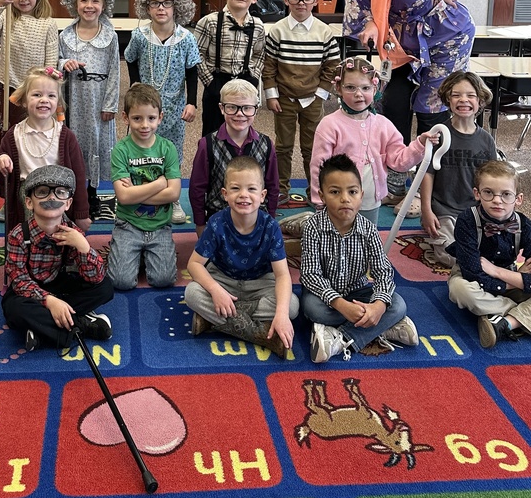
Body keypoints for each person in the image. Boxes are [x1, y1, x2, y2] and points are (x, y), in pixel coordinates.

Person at [344, 0, 481, 204]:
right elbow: (359, 2)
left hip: (445, 36)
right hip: (399, 42)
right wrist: (370, 22)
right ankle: (395, 182)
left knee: (432, 109)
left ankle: (433, 189)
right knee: (392, 104)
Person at [301, 155, 419, 363]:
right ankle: (382, 327)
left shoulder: (367, 229)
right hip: (326, 297)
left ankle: (341, 338)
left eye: (352, 192)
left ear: (361, 195)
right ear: (322, 195)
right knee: (311, 308)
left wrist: (379, 306)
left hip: (358, 291)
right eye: (335, 192)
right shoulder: (313, 227)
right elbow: (311, 276)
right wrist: (341, 304)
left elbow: (383, 272)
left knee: (398, 304)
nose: (345, 198)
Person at [185, 157, 297, 356]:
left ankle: (212, 321)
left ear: (262, 195)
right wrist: (215, 290)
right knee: (192, 293)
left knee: (292, 307)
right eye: (236, 189)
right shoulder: (216, 223)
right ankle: (260, 335)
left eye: (251, 189)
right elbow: (194, 264)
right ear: (225, 194)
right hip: (223, 281)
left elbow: (282, 276)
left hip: (260, 284)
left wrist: (281, 314)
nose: (244, 195)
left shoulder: (270, 227)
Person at [309, 57, 438, 225]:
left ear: (375, 88)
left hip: (370, 200)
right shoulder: (329, 125)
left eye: (365, 88)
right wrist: (320, 201)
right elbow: (318, 165)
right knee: (338, 242)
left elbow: (399, 161)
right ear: (339, 88)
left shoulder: (383, 124)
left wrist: (419, 144)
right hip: (338, 201)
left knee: (367, 240)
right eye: (350, 87)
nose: (358, 94)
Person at [2, 165, 113, 352]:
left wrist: (83, 247)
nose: (52, 197)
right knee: (12, 309)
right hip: (30, 292)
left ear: (68, 203)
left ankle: (41, 328)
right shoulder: (18, 235)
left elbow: (95, 278)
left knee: (105, 288)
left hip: (61, 286)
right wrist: (49, 301)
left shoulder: (73, 232)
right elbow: (19, 280)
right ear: (29, 202)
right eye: (43, 192)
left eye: (60, 192)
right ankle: (79, 324)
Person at [124, 0, 199, 225]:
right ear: (147, 6)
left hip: (174, 108)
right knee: (140, 148)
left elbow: (192, 70)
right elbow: (130, 59)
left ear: (177, 5)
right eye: (155, 3)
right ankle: (136, 192)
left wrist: (192, 102)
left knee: (172, 152)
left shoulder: (186, 38)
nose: (161, 8)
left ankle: (172, 197)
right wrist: (134, 83)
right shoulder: (140, 36)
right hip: (144, 108)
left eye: (167, 3)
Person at [263, 0, 340, 204]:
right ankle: (282, 188)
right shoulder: (277, 30)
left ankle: (315, 189)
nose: (301, 3)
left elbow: (332, 65)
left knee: (313, 147)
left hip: (313, 100)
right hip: (284, 99)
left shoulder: (325, 32)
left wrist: (320, 95)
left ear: (316, 0)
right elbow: (269, 66)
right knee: (283, 146)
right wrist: (271, 95)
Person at [0, 67, 90, 237]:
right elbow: (1, 178)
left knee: (63, 231)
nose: (44, 100)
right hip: (28, 194)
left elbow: (79, 177)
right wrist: (2, 160)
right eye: (37, 95)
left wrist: (82, 213)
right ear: (24, 100)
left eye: (51, 96)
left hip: (60, 192)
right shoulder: (13, 135)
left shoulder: (66, 136)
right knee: (33, 221)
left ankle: (60, 255)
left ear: (58, 102)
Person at [448, 159, 531, 348]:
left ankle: (505, 322)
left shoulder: (524, 224)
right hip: (471, 278)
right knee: (461, 291)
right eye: (488, 192)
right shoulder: (467, 221)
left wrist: (496, 271)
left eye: (506, 194)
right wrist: (520, 280)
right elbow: (472, 273)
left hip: (506, 273)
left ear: (518, 199)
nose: (497, 200)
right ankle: (518, 314)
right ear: (477, 194)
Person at [58, 0, 120, 221]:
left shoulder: (110, 36)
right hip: (75, 101)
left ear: (104, 4)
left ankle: (93, 195)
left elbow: (115, 71)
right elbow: (55, 63)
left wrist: (111, 104)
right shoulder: (65, 36)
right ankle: (76, 194)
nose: (89, 6)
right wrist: (64, 64)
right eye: (84, 0)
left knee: (97, 146)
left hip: (99, 102)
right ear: (74, 3)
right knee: (76, 146)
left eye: (95, 1)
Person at [108, 84, 181, 290]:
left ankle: (141, 256)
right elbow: (123, 197)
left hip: (160, 225)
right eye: (137, 118)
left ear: (160, 117)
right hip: (128, 224)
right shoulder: (121, 151)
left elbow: (174, 193)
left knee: (164, 280)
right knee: (120, 282)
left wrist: (135, 193)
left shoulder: (168, 148)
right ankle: (134, 254)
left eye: (151, 118)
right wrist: (159, 184)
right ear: (125, 118)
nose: (144, 125)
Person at [421, 71, 497, 267]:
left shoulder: (486, 140)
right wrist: (427, 210)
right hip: (443, 210)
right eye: (456, 95)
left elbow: (493, 179)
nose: (464, 100)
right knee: (450, 257)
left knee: (498, 249)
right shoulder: (439, 134)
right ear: (448, 99)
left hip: (475, 212)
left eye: (470, 95)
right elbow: (426, 174)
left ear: (480, 101)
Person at [189, 78, 279, 237]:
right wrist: (200, 223)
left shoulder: (266, 145)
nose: (240, 114)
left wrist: (270, 220)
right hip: (218, 220)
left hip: (256, 219)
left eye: (247, 108)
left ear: (256, 110)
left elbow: (272, 186)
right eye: (232, 107)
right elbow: (197, 188)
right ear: (221, 108)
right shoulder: (207, 144)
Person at [0, 0, 59, 132]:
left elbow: (51, 60)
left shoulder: (48, 23)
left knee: (34, 123)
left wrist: (48, 78)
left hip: (36, 86)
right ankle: (6, 156)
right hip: (9, 80)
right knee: (9, 125)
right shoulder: (7, 14)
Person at [194, 0, 266, 137]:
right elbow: (197, 54)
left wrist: (253, 78)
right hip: (217, 83)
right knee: (213, 133)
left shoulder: (258, 25)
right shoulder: (209, 21)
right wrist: (210, 83)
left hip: (245, 83)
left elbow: (260, 54)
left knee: (241, 131)